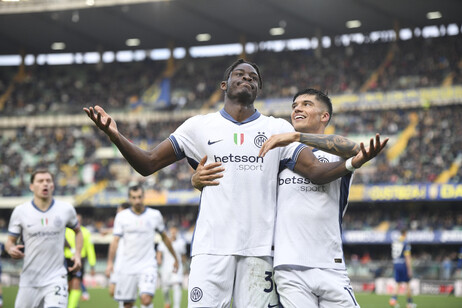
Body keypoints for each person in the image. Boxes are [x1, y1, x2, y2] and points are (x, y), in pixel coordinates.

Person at [84, 58, 387, 307]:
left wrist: (353, 162)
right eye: (239, 74)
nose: (247, 79)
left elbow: (317, 172)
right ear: (224, 85)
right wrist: (115, 136)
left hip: (259, 253)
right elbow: (148, 163)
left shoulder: (276, 128)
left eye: (253, 77)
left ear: (259, 88)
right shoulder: (198, 126)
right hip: (211, 249)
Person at [192, 88, 375, 307]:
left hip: (330, 265)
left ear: (324, 116)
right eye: (294, 106)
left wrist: (297, 137)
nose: (297, 108)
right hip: (287, 269)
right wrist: (196, 180)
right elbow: (238, 184)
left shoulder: (336, 153)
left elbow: (358, 150)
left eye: (306, 104)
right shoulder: (276, 155)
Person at [5, 169, 83, 308]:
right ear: (31, 186)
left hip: (56, 278)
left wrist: (77, 255)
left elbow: (78, 232)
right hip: (29, 280)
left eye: (48, 181)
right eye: (40, 181)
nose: (45, 184)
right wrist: (11, 249)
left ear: (53, 185)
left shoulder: (66, 209)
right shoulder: (20, 212)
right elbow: (10, 241)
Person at [105, 185, 178, 308]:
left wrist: (175, 258)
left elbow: (165, 238)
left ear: (143, 197)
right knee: (127, 304)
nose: (137, 201)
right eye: (134, 198)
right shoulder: (122, 217)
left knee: (146, 299)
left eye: (139, 197)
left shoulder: (154, 215)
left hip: (147, 265)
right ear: (129, 199)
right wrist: (109, 263)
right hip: (127, 266)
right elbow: (115, 241)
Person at [64, 214, 96, 308]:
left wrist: (92, 265)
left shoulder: (85, 232)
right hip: (66, 259)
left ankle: (71, 306)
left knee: (76, 282)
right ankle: (68, 303)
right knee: (68, 286)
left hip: (79, 260)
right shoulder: (65, 231)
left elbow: (90, 249)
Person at [156, 225, 188, 308]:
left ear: (177, 232)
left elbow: (183, 256)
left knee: (177, 286)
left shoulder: (181, 243)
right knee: (165, 289)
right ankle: (167, 302)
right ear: (169, 232)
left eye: (175, 231)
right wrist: (158, 260)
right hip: (165, 268)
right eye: (172, 231)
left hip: (177, 267)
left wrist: (185, 266)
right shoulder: (164, 242)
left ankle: (176, 306)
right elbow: (159, 252)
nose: (173, 233)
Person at [108, 201, 131, 303]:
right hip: (118, 262)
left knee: (121, 293)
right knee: (113, 291)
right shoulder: (119, 224)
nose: (117, 212)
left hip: (125, 263)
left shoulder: (130, 223)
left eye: (119, 210)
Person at [389, 229, 416, 308]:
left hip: (396, 263)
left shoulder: (395, 242)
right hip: (403, 264)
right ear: (405, 233)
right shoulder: (405, 243)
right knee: (407, 284)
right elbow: (407, 257)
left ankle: (393, 300)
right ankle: (409, 304)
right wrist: (410, 269)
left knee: (398, 283)